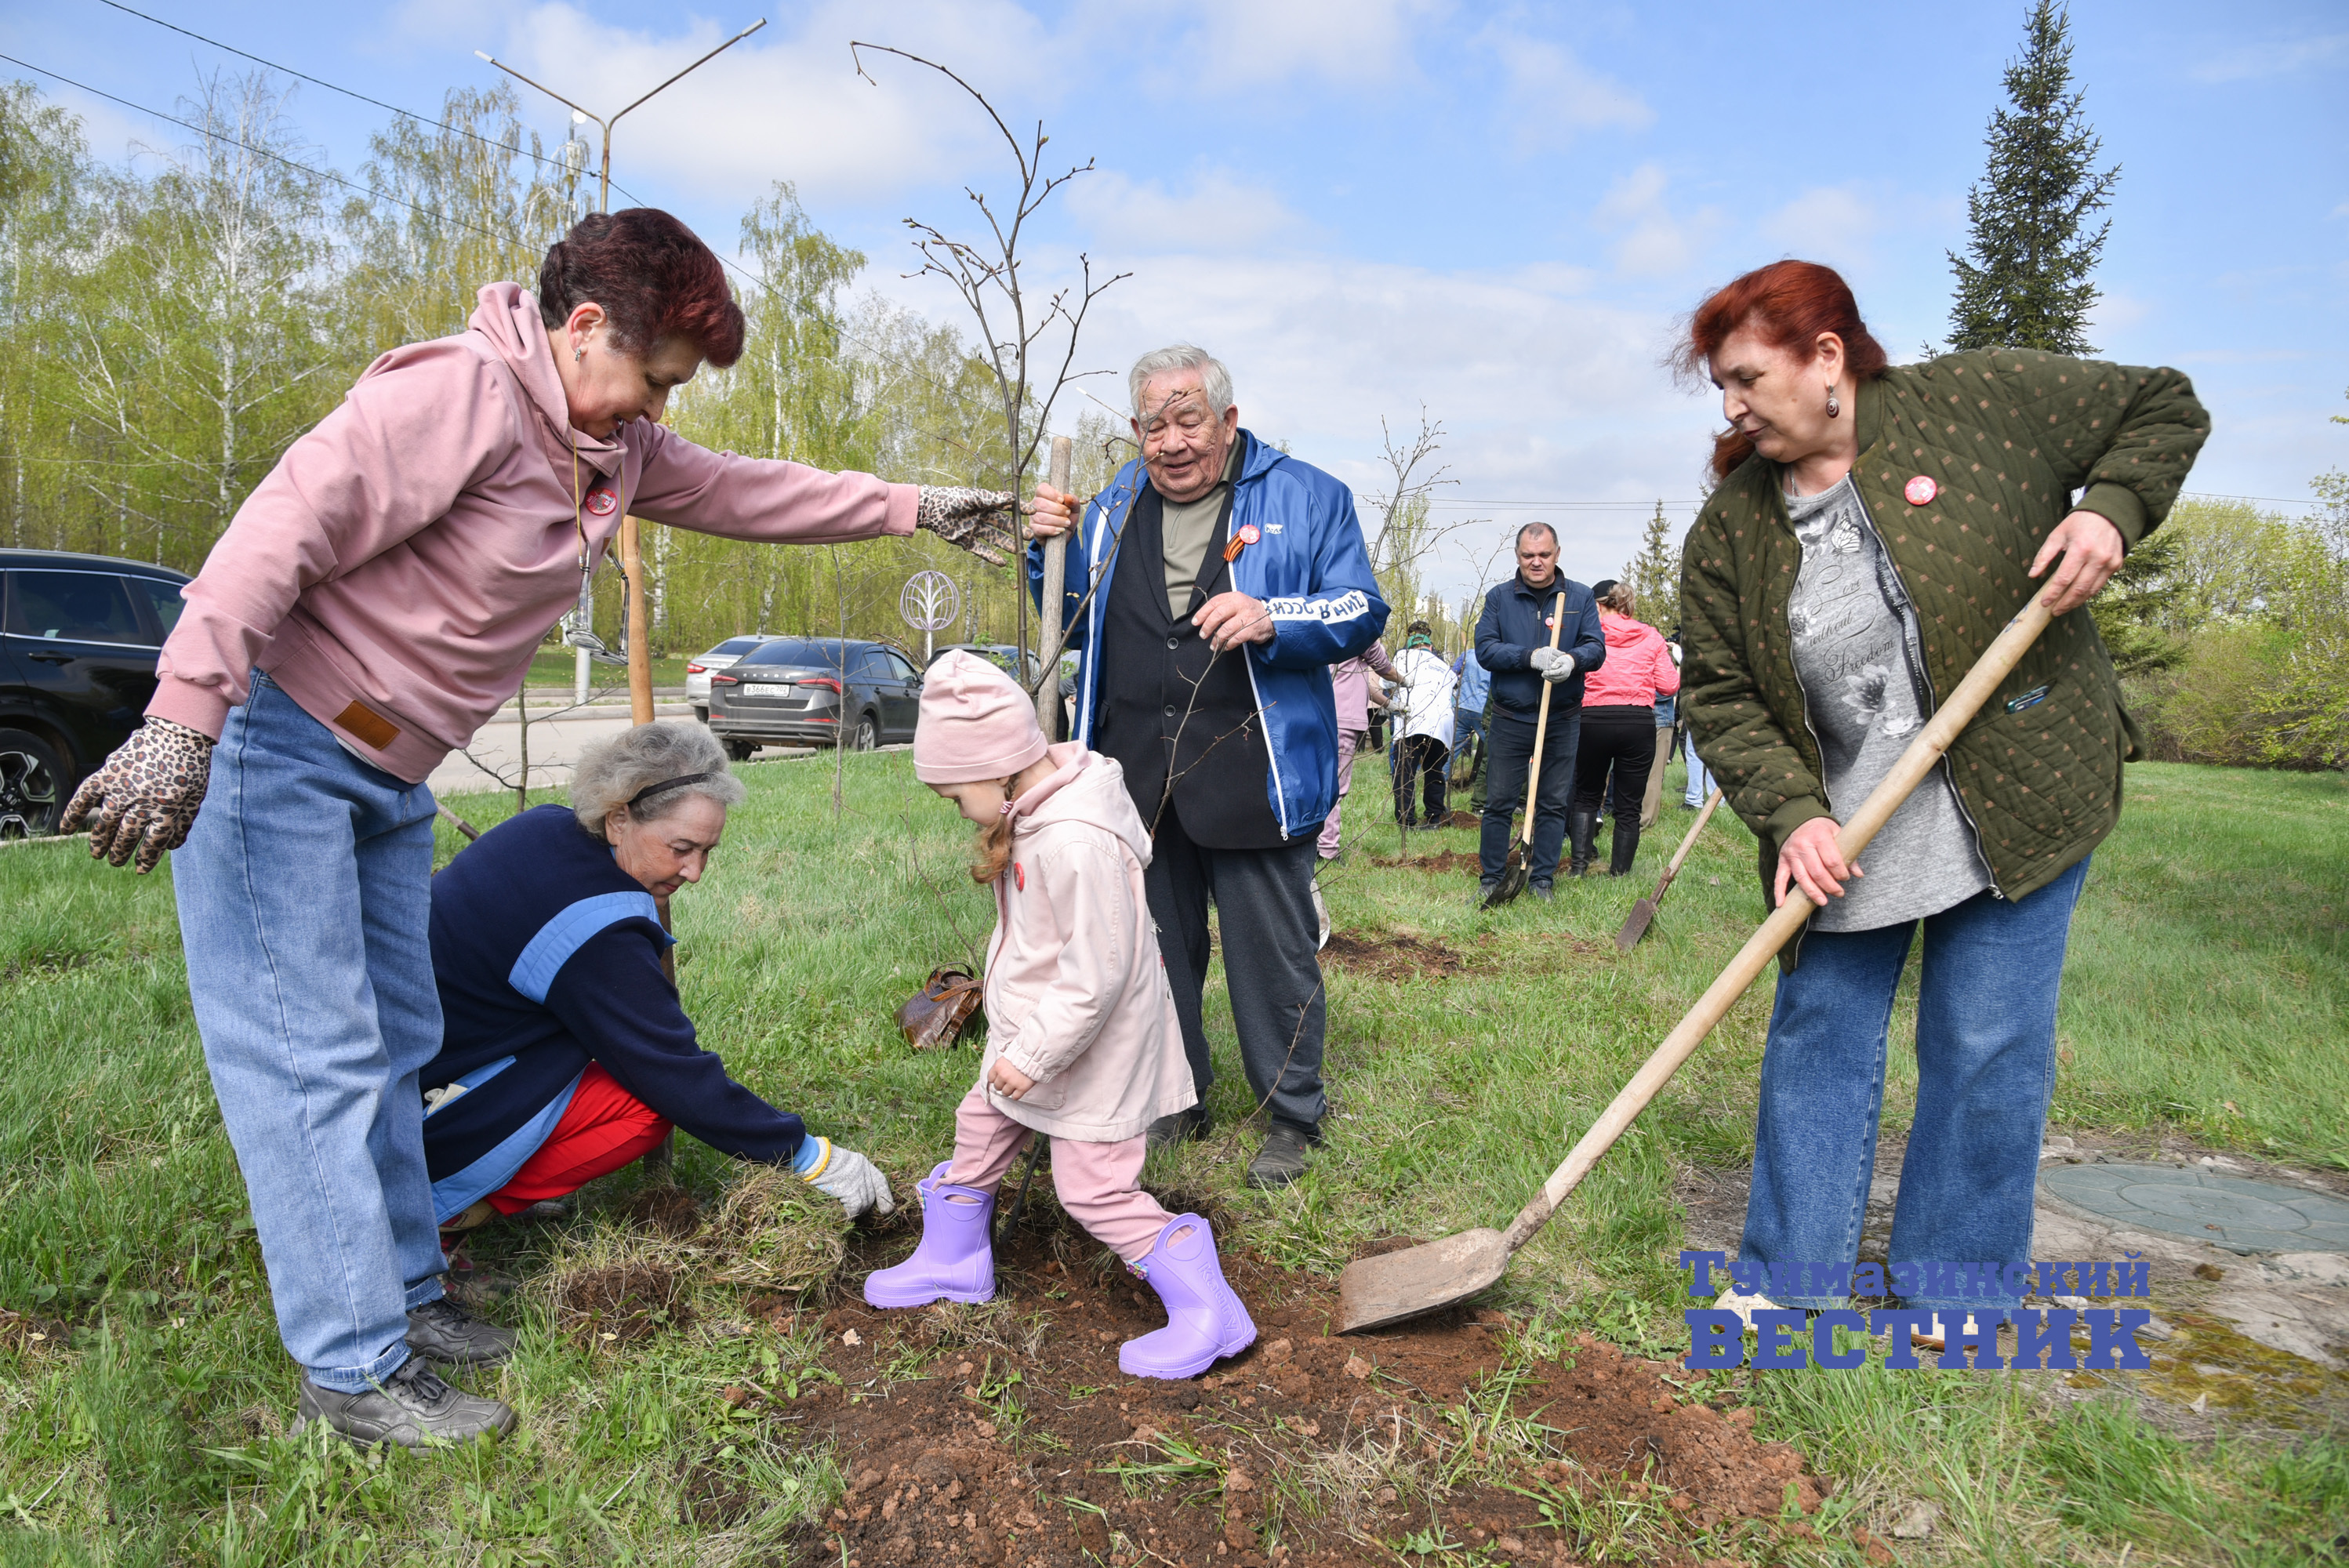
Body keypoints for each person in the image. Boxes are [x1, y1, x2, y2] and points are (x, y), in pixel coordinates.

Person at [59, 208, 1015, 1448]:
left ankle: (404, 1296)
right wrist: (184, 718)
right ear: (581, 329)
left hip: (392, 780)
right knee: (314, 1061)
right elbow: (279, 528)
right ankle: (352, 1373)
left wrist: (917, 504)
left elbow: (755, 493)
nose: (656, 413)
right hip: (279, 753)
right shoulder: (460, 395)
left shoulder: (607, 444)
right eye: (650, 379)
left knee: (397, 1043)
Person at [1674, 260, 2207, 1334]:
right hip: (1850, 820)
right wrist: (1794, 813)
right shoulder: (1730, 531)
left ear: (1826, 357)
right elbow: (1724, 696)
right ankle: (1789, 1279)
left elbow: (2162, 404)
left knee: (1987, 1037)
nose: (1730, 406)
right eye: (1720, 386)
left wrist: (2110, 510)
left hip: (2019, 782)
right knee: (1820, 1029)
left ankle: (1955, 1284)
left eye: (1744, 377)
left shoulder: (1975, 402)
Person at [1024, 345, 1387, 1189]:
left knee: (1271, 952)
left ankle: (1292, 1115)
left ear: (1227, 420)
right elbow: (1073, 621)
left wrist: (1273, 614)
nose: (1172, 440)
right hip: (1135, 772)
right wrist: (1048, 551)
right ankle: (1174, 1095)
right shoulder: (1111, 505)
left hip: (1252, 766)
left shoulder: (1307, 495)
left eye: (1189, 419)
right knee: (1151, 952)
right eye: (1154, 423)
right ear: (1134, 430)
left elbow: (1361, 605)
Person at [870, 653, 1254, 1381]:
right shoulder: (1037, 817)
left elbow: (1096, 972)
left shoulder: (1078, 839)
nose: (955, 809)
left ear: (997, 769)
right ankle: (954, 1260)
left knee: (1092, 1187)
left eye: (955, 796)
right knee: (980, 1124)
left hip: (1092, 1049)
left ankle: (1210, 1310)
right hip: (1040, 1035)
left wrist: (1033, 1055)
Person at [423, 724, 892, 1256]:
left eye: (707, 851)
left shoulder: (544, 828)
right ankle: (441, 1214)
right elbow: (671, 1071)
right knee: (641, 1106)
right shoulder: (596, 928)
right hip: (422, 1109)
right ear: (618, 816)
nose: (695, 872)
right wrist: (807, 1155)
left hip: (419, 1055)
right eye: (681, 848)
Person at [1472, 524, 1604, 903]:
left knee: (1553, 801)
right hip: (1511, 718)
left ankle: (1542, 879)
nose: (1536, 562)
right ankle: (1492, 876)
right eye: (1528, 555)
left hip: (1562, 717)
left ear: (1557, 554)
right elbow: (1486, 649)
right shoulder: (1499, 599)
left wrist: (1572, 660)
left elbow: (1596, 647)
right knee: (1498, 801)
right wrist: (1528, 657)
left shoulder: (1578, 597)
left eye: (1544, 555)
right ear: (1518, 556)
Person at [1566, 581, 1681, 877]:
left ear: (1598, 605)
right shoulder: (1651, 636)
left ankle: (1578, 868)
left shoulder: (1587, 635)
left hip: (1593, 720)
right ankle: (1619, 873)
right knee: (1629, 805)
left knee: (1586, 796)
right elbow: (1669, 685)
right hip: (1637, 723)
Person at [1321, 637, 1404, 861]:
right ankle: (1327, 850)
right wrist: (1406, 681)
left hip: (1320, 713)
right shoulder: (1361, 630)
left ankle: (1308, 843)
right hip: (1344, 719)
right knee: (1335, 788)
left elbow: (1362, 681)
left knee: (1318, 782)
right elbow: (1384, 667)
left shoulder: (1324, 625)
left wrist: (1388, 704)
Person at [1389, 622, 1458, 828]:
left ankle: (1406, 821)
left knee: (1405, 774)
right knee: (1435, 771)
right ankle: (1434, 817)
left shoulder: (1403, 657)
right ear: (1430, 647)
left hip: (1413, 722)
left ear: (1410, 646)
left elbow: (1385, 682)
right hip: (1442, 725)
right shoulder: (1445, 667)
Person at [1450, 636, 1492, 800]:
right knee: (1491, 750)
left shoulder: (1467, 654)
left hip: (1462, 707)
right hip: (1482, 709)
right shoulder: (1492, 656)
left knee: (1452, 749)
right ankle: (1483, 788)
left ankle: (1440, 782)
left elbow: (1453, 675)